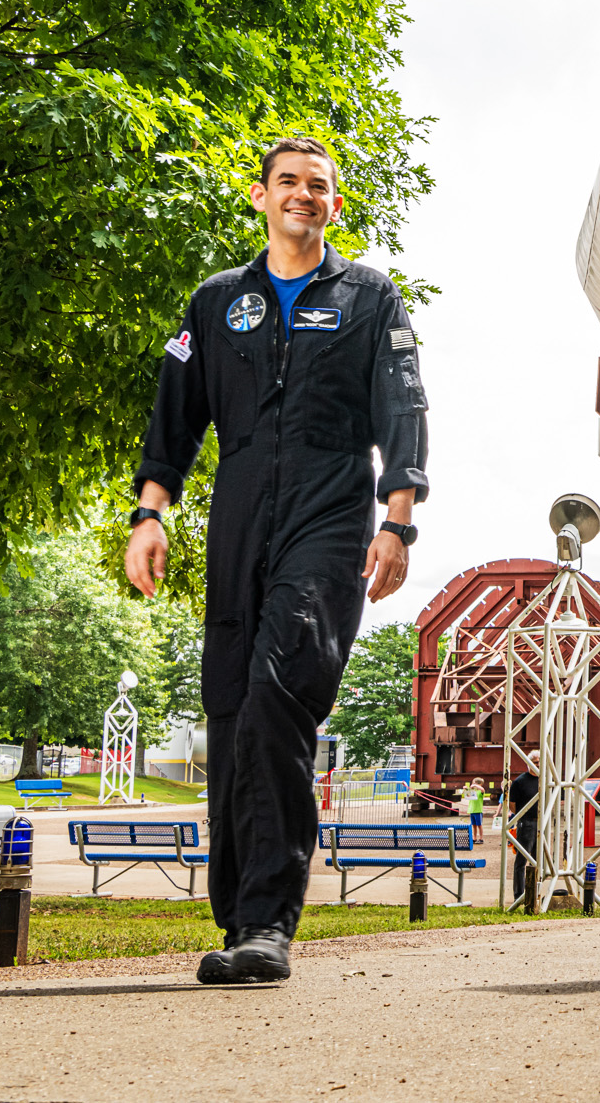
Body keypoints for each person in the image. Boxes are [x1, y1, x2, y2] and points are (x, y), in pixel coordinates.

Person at [125, 136, 429, 984]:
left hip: (331, 510)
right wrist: (151, 513)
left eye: (319, 186)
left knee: (277, 690)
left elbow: (403, 408)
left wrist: (397, 520)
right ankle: (238, 920)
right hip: (239, 509)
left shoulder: (369, 298)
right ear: (259, 196)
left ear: (335, 203)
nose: (304, 194)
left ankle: (267, 921)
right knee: (229, 705)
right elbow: (174, 416)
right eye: (288, 182)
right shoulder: (215, 303)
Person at [508, 752, 540, 902]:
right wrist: (523, 816)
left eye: (539, 762)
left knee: (537, 859)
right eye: (534, 762)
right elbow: (512, 805)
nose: (537, 764)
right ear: (528, 763)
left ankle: (534, 893)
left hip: (541, 823)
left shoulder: (544, 780)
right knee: (522, 860)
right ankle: (519, 895)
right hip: (526, 823)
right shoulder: (520, 782)